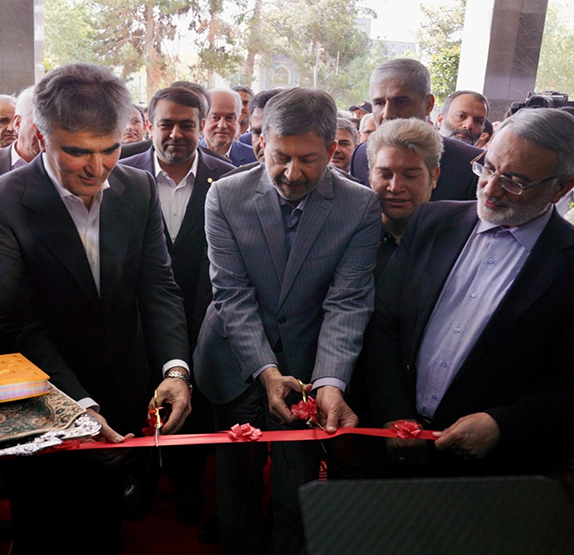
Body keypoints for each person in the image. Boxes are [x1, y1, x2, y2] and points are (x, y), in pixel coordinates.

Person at [0, 63, 192, 552]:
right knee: (48, 531)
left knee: (107, 529)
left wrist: (175, 370)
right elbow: (14, 324)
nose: (97, 167)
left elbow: (158, 286)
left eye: (109, 149)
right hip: (45, 402)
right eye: (77, 151)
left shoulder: (137, 188)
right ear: (41, 137)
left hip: (126, 395)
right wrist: (79, 408)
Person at [363, 108, 574, 476]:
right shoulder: (432, 222)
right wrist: (393, 412)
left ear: (561, 187)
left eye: (515, 181)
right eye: (487, 168)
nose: (490, 189)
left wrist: (501, 424)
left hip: (486, 473)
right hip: (389, 448)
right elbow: (383, 324)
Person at [194, 87, 381, 554]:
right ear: (262, 143)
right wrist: (266, 371)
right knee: (235, 485)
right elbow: (232, 294)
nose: (292, 174)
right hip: (235, 360)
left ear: (332, 151)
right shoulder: (225, 196)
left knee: (296, 487)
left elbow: (347, 303)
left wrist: (331, 381)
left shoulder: (360, 206)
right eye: (280, 157)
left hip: (308, 366)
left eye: (308, 160)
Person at [121, 85, 235, 523]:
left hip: (205, 321)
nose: (175, 134)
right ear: (149, 125)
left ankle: (188, 482)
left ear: (202, 126)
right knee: (138, 397)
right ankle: (142, 478)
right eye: (166, 124)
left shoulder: (229, 179)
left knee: (196, 406)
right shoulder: (119, 173)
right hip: (136, 321)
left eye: (187, 125)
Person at [350, 58, 481, 200]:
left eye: (401, 102)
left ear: (428, 104)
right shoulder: (360, 156)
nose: (387, 114)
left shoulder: (472, 166)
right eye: (379, 103)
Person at [367, 117, 442, 280]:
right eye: (385, 175)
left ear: (434, 176)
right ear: (370, 175)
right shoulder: (350, 236)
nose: (395, 187)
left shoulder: (453, 243)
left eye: (410, 176)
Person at [201, 88, 257, 166]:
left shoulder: (254, 159)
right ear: (203, 120)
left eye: (229, 118)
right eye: (215, 118)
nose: (222, 125)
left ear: (238, 120)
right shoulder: (191, 157)